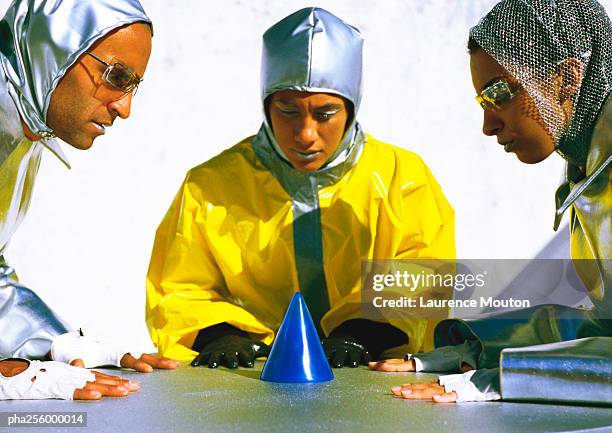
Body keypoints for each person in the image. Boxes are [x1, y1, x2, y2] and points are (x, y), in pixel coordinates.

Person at [146, 7, 455, 370]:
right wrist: (219, 334)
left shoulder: (402, 178)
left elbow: (421, 273)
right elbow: (179, 290)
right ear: (266, 105)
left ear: (351, 107)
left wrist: (367, 332)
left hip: (371, 376)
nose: (306, 134)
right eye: (288, 111)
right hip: (251, 381)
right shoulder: (210, 186)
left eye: (325, 114)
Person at [371, 0, 611, 405]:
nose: (488, 125)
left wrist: (502, 380)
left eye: (499, 93)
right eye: (483, 102)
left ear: (567, 79)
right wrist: (481, 349)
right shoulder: (589, 170)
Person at [0, 0, 177, 401]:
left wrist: (54, 342)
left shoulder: (22, 126)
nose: (125, 107)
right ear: (52, 52)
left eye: (133, 85)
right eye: (116, 76)